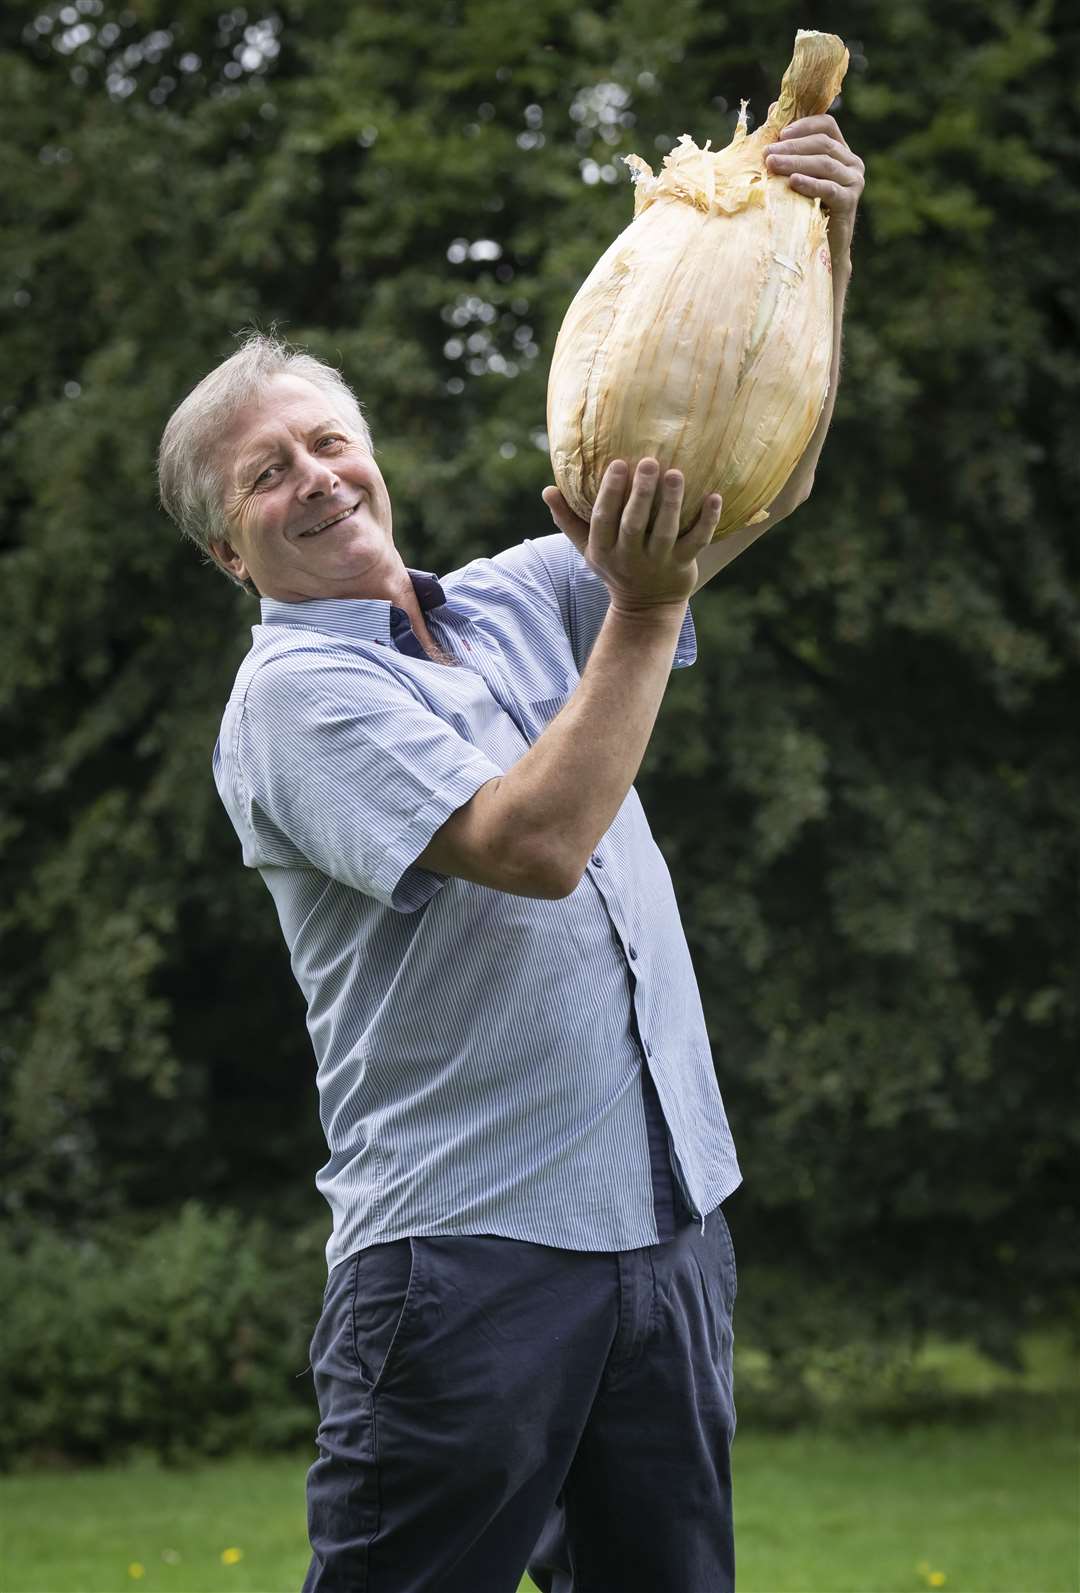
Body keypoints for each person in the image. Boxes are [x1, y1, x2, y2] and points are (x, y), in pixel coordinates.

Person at [157, 114, 863, 1593]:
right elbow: (534, 843)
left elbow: (764, 474)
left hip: (666, 1233)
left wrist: (818, 241)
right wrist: (649, 615)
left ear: (373, 451)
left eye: (327, 440)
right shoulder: (292, 695)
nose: (316, 477)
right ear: (232, 550)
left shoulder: (519, 597)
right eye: (264, 475)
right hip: (465, 1268)